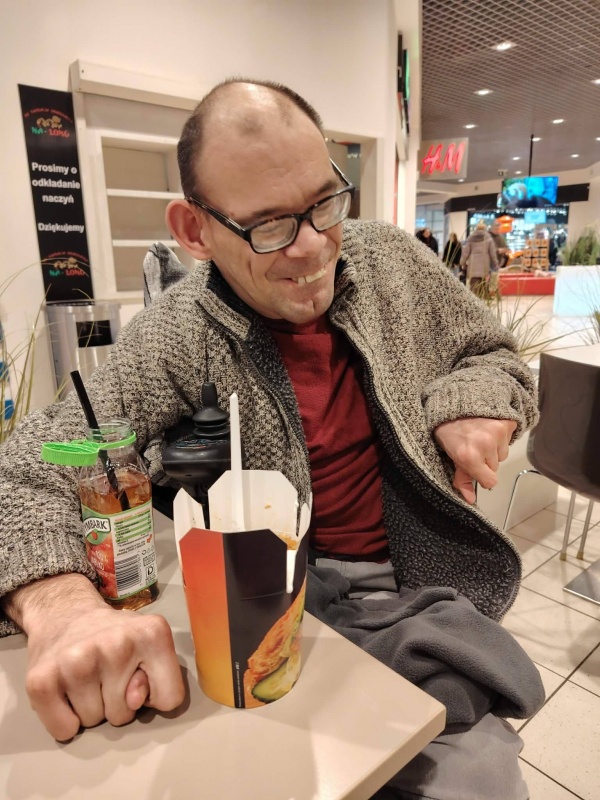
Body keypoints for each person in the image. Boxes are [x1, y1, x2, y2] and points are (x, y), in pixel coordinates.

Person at [0, 79, 543, 799]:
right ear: (195, 231)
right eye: (269, 225)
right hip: (268, 601)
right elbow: (41, 457)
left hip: (420, 584)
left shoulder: (392, 263)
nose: (313, 246)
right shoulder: (178, 335)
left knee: (478, 780)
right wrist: (62, 611)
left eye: (324, 202)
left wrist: (470, 404)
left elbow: (492, 352)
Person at [460, 220, 499, 294]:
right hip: (484, 266)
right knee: (483, 287)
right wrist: (495, 263)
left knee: (473, 288)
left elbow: (465, 253)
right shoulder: (488, 238)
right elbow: (492, 253)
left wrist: (462, 262)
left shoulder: (470, 238)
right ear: (485, 228)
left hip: (473, 266)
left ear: (476, 228)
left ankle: (473, 299)